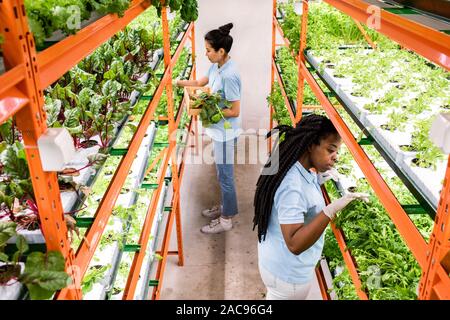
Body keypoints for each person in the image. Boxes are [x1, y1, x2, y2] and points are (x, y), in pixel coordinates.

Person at [253, 114, 369, 300]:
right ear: (310, 145)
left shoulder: (295, 167)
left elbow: (298, 199)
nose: (335, 158)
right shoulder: (292, 185)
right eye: (331, 150)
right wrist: (330, 210)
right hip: (288, 277)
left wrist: (316, 180)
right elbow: (294, 244)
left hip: (277, 266)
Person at [174, 23, 242, 234]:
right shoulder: (216, 66)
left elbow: (235, 110)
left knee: (225, 176)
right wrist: (176, 82)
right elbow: (198, 82)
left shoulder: (230, 75)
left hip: (226, 133)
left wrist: (206, 111)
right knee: (221, 174)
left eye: (209, 50)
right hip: (218, 130)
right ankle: (225, 207)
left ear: (221, 51)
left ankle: (227, 219)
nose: (206, 54)